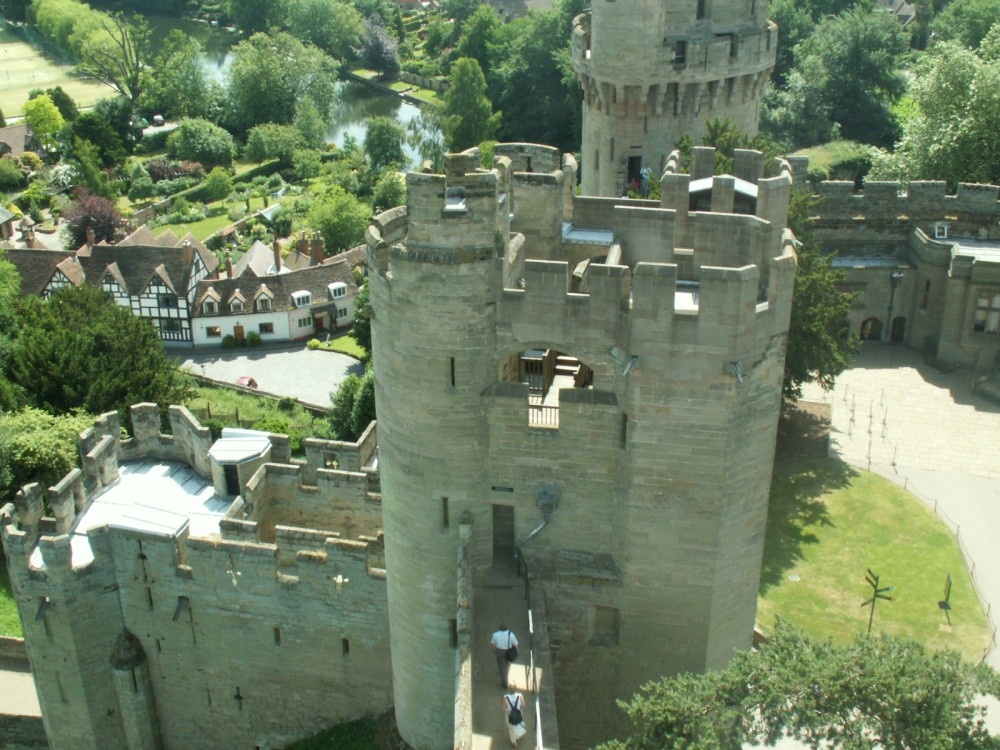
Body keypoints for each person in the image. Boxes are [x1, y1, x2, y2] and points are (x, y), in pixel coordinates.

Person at [490, 623, 518, 688]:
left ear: (499, 629)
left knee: (501, 667)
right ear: (507, 628)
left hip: (500, 652)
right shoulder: (511, 634)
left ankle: (505, 682)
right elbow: (516, 644)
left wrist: (494, 651)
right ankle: (506, 669)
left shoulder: (495, 635)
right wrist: (515, 652)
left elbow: (493, 646)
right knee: (507, 662)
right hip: (509, 651)